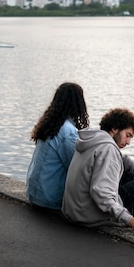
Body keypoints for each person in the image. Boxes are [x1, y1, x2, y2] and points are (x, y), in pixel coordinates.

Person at [62, 107, 134, 233]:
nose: (128, 142)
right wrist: (128, 219)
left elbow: (122, 159)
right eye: (127, 136)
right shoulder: (108, 150)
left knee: (128, 174)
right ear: (115, 128)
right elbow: (101, 193)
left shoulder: (93, 140)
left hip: (76, 210)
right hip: (91, 216)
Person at [27, 82, 89, 210]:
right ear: (78, 103)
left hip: (34, 193)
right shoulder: (68, 132)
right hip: (49, 199)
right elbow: (75, 166)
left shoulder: (50, 124)